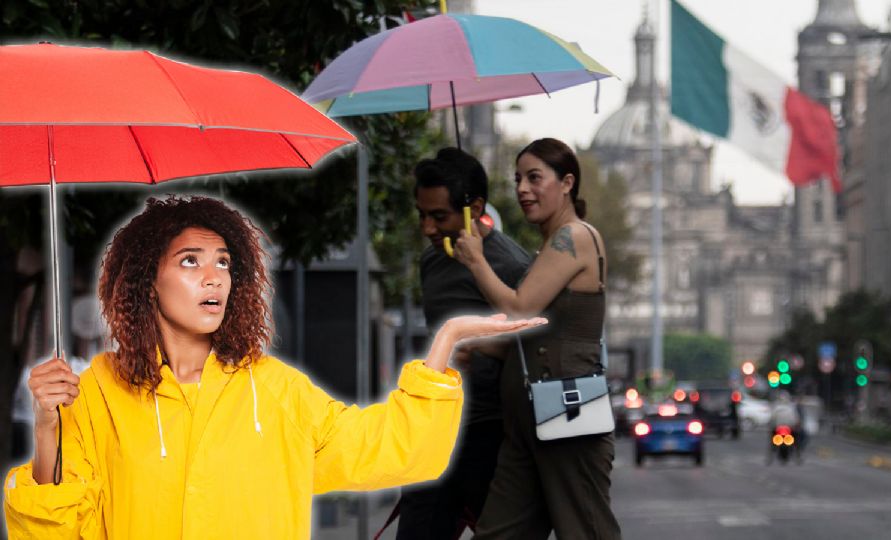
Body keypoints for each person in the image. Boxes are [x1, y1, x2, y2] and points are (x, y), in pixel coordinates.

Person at [4, 195, 545, 539]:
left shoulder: (277, 390)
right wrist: (50, 428)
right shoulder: (99, 389)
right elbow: (53, 530)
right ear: (147, 280)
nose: (214, 277)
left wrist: (444, 344)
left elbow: (388, 448)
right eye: (190, 261)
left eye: (224, 262)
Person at [453, 138, 621, 539]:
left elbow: (521, 309)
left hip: (566, 412)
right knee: (497, 532)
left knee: (585, 530)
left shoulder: (575, 236)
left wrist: (477, 262)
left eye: (534, 178)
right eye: (517, 180)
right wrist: (477, 347)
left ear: (567, 183)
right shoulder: (549, 245)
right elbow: (530, 332)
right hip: (527, 419)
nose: (522, 189)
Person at [391, 148, 532, 539]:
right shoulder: (430, 262)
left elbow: (534, 351)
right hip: (434, 432)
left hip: (491, 436)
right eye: (422, 216)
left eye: (440, 217)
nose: (428, 229)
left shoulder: (513, 266)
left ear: (475, 208)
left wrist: (485, 346)